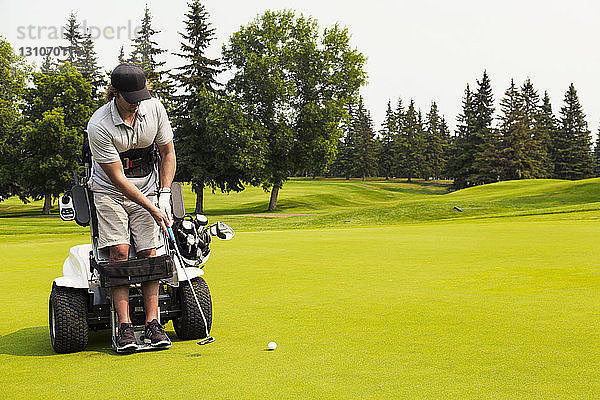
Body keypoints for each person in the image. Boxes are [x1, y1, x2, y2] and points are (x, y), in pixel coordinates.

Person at [87, 63, 176, 351]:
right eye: (131, 98)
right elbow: (117, 178)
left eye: (141, 96)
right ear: (116, 93)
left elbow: (168, 153)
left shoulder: (155, 109)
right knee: (120, 251)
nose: (137, 103)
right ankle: (124, 326)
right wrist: (152, 207)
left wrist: (163, 194)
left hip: (149, 186)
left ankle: (153, 324)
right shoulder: (99, 125)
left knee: (150, 251)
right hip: (110, 191)